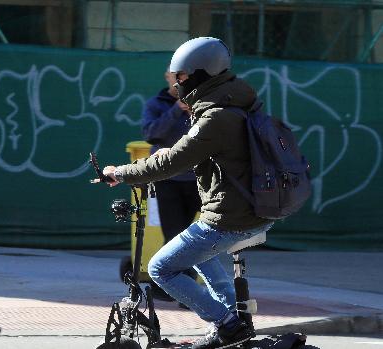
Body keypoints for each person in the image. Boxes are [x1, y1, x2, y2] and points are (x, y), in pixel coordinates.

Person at [100, 37, 273, 349]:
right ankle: (234, 319)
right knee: (198, 255)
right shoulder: (241, 103)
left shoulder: (215, 116)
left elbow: (170, 162)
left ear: (201, 75)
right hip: (257, 210)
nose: (177, 83)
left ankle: (228, 325)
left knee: (160, 268)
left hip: (230, 216)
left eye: (180, 77)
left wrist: (120, 173)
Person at [142, 69, 202, 305]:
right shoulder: (156, 104)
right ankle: (179, 289)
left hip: (198, 179)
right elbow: (151, 134)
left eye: (183, 76)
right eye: (174, 75)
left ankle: (187, 288)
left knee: (199, 236)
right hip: (168, 181)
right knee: (175, 235)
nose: (178, 80)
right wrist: (177, 110)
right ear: (167, 77)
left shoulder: (202, 104)